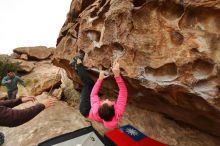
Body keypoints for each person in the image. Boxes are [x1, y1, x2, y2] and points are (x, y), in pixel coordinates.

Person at [70, 51, 128, 129]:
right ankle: (78, 69)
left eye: (104, 102)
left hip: (86, 109)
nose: (106, 99)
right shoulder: (118, 111)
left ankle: (78, 63)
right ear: (114, 109)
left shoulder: (96, 108)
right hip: (95, 111)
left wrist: (100, 79)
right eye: (109, 102)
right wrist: (117, 75)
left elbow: (93, 94)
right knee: (90, 85)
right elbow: (123, 93)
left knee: (89, 84)